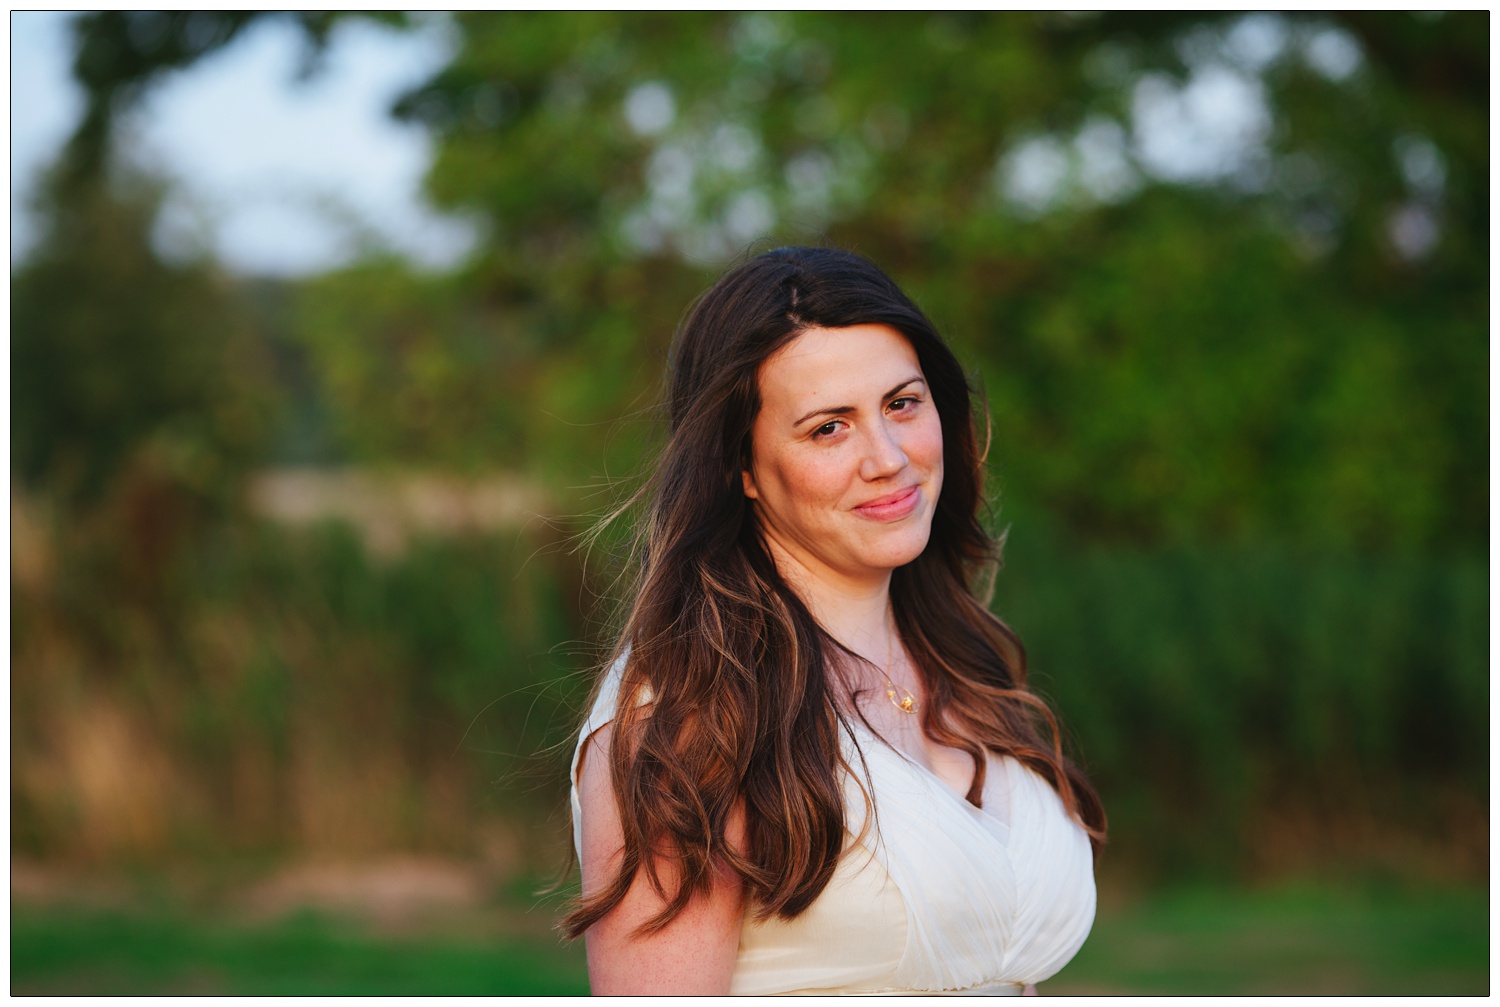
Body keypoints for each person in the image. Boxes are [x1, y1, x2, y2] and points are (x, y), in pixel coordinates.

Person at [563, 246, 1105, 995]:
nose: (888, 457)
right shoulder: (689, 723)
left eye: (903, 404)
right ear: (741, 468)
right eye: (829, 427)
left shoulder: (957, 659)